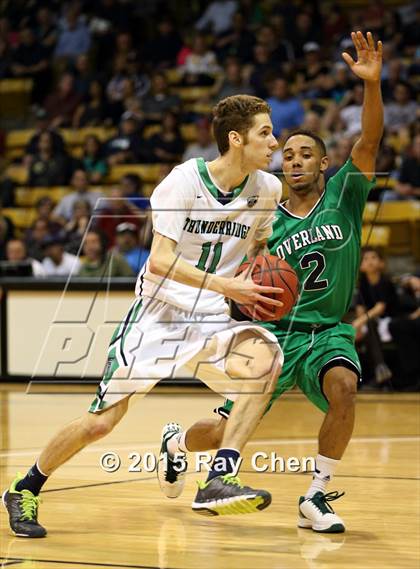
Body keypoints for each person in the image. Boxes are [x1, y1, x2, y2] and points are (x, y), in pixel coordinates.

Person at [3, 94, 284, 537]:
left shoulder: (268, 189)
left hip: (213, 315)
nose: (274, 141)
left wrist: (258, 273)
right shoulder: (183, 181)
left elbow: (260, 244)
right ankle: (25, 487)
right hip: (159, 313)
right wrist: (226, 284)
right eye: (265, 132)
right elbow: (158, 260)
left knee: (266, 364)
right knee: (101, 423)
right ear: (236, 139)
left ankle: (218, 479)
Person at [159, 32, 384, 534]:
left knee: (345, 387)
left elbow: (368, 141)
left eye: (307, 154)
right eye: (288, 155)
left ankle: (316, 496)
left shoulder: (344, 196)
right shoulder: (265, 214)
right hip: (275, 336)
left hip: (326, 331)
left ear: (325, 163)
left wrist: (372, 86)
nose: (295, 160)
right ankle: (175, 443)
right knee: (220, 431)